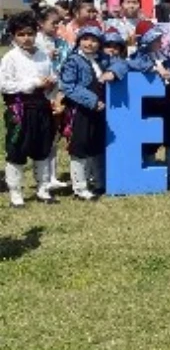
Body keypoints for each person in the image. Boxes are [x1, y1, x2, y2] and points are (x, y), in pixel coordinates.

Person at [1, 12, 59, 206]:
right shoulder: (10, 58)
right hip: (20, 108)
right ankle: (16, 193)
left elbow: (52, 75)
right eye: (21, 34)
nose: (26, 38)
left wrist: (51, 83)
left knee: (43, 147)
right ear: (14, 36)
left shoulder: (43, 55)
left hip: (42, 107)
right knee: (17, 148)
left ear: (36, 33)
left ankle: (43, 189)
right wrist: (32, 83)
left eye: (30, 33)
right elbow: (4, 85)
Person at [59, 26, 122, 200]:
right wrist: (92, 101)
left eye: (94, 40)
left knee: (97, 145)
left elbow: (121, 63)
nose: (90, 43)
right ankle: (79, 188)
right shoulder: (73, 61)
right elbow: (68, 85)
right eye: (86, 39)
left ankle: (100, 182)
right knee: (80, 147)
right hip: (81, 110)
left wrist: (113, 72)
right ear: (79, 40)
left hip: (99, 110)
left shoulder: (102, 59)